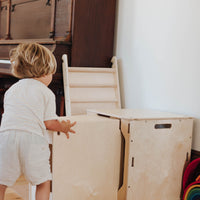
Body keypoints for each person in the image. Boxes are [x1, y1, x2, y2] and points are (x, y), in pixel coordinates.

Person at [0, 42, 76, 200]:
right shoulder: (46, 93)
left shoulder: (11, 90)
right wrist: (64, 127)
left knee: (1, 182)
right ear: (44, 72)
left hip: (6, 139)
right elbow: (49, 123)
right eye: (51, 74)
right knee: (42, 181)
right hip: (32, 140)